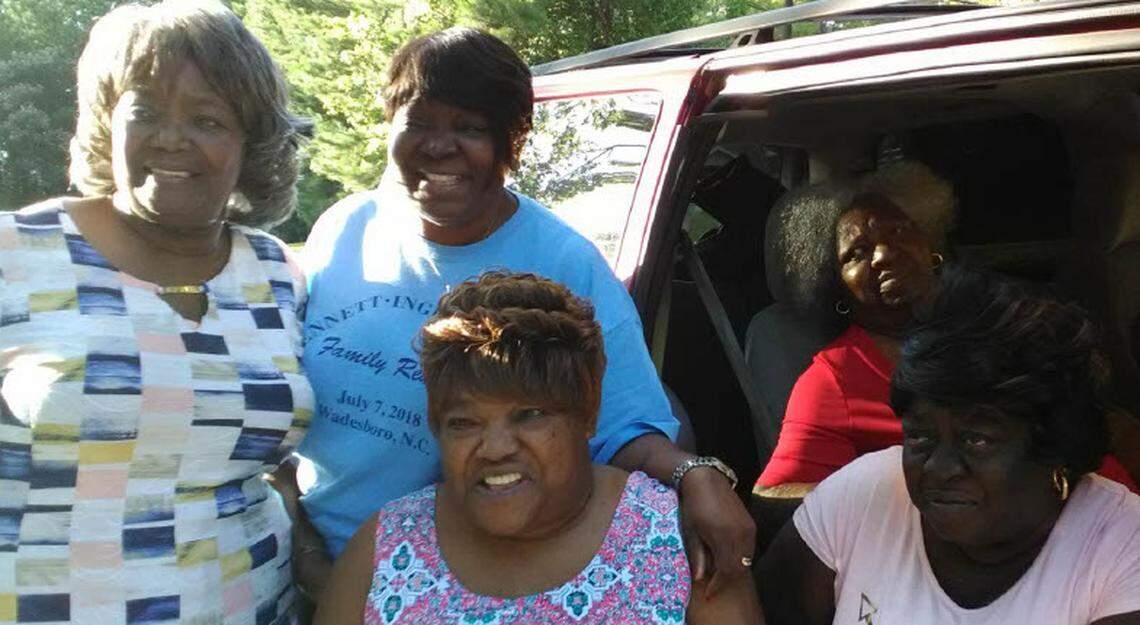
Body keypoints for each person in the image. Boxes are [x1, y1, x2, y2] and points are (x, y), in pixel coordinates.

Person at [290, 27, 754, 601]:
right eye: (419, 121)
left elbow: (620, 429)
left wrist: (695, 475)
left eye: (469, 128)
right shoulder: (343, 230)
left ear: (512, 143)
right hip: (293, 566)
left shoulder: (564, 263)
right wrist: (304, 551)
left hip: (438, 591)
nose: (439, 146)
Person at [0, 2, 313, 622]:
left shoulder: (276, 271)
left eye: (206, 119)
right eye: (143, 112)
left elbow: (280, 468)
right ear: (107, 121)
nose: (171, 138)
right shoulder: (17, 252)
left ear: (250, 143)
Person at [314, 271, 764, 625]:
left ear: (587, 416)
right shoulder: (386, 547)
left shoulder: (676, 539)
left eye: (529, 415)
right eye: (464, 423)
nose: (494, 448)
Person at [758, 267, 1140, 625]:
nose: (939, 469)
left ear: (1056, 447)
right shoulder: (864, 496)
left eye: (977, 440)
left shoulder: (1121, 546)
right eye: (920, 437)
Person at [754, 164, 1137, 496]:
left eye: (899, 232)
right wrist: (908, 498)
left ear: (931, 245)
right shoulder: (834, 378)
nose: (885, 254)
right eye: (858, 252)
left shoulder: (998, 319)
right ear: (836, 287)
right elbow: (780, 496)